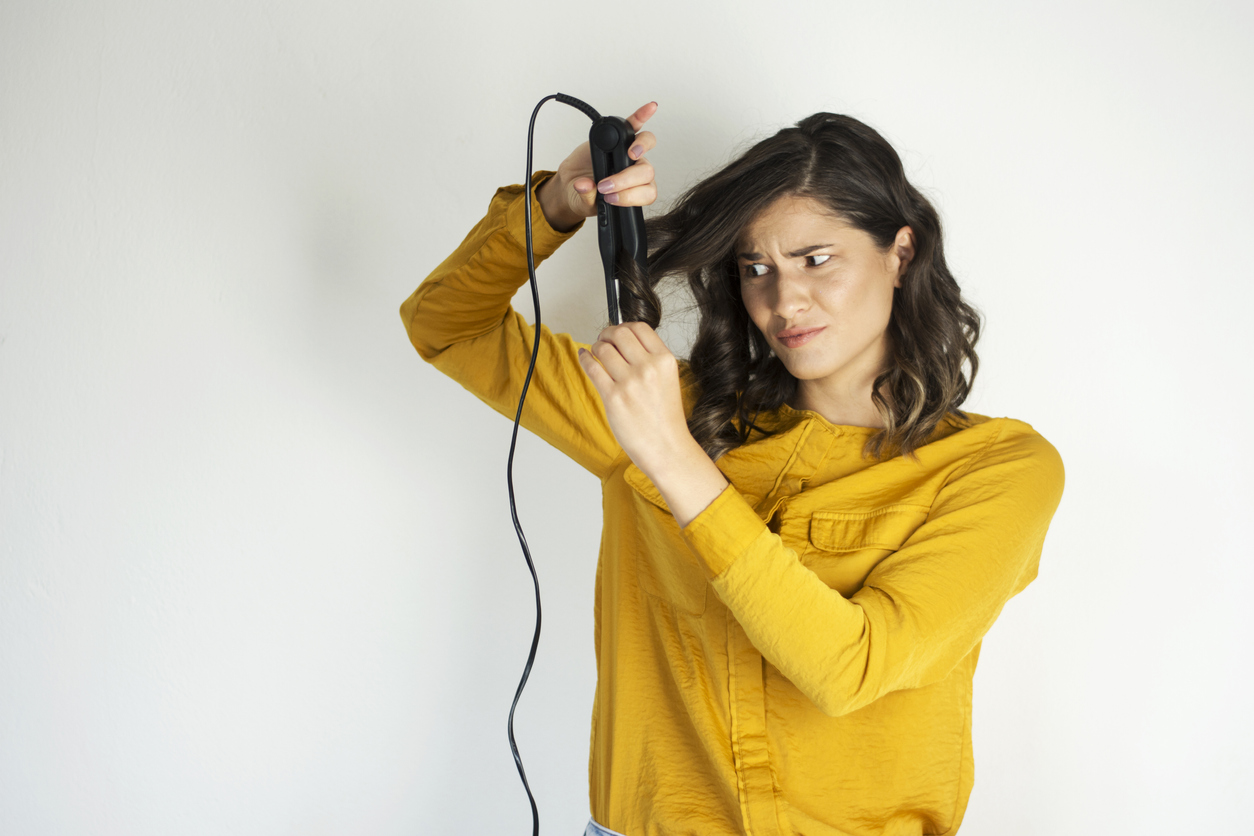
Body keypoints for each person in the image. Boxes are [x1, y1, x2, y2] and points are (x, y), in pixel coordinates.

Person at [401, 101, 1065, 836]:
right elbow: (445, 326)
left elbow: (852, 669)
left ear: (900, 252)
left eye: (816, 260)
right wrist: (558, 205)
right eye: (757, 269)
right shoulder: (657, 406)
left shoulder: (996, 468)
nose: (785, 300)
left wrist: (672, 459)